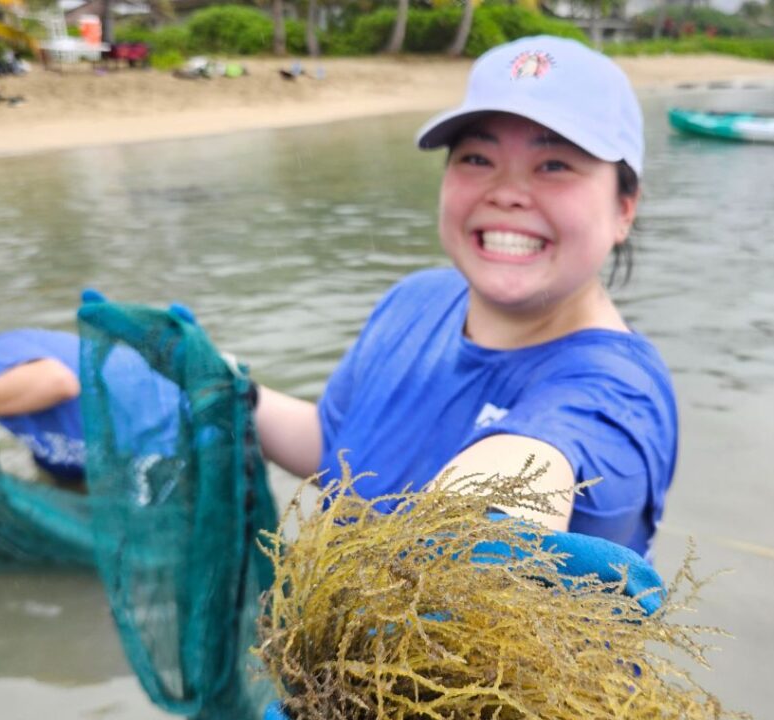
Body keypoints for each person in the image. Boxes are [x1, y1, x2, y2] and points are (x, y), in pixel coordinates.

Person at [253, 34, 677, 556]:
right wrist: (230, 391)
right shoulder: (415, 300)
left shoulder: (616, 398)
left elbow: (531, 464)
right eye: (477, 158)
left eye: (554, 165)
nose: (505, 192)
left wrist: (473, 539)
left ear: (624, 209)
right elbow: (335, 447)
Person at [0, 311, 182, 482]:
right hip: (160, 465)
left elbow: (58, 382)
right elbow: (68, 478)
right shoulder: (14, 408)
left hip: (183, 446)